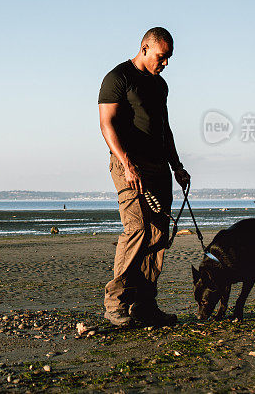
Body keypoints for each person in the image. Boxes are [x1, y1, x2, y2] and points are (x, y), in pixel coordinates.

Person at [97, 26, 191, 327]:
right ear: (145, 48)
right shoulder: (118, 78)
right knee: (137, 231)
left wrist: (177, 165)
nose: (164, 64)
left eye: (168, 60)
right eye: (161, 57)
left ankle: (145, 305)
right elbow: (106, 125)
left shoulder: (160, 86)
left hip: (159, 168)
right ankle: (115, 305)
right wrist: (126, 163)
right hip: (129, 167)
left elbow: (165, 128)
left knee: (159, 235)